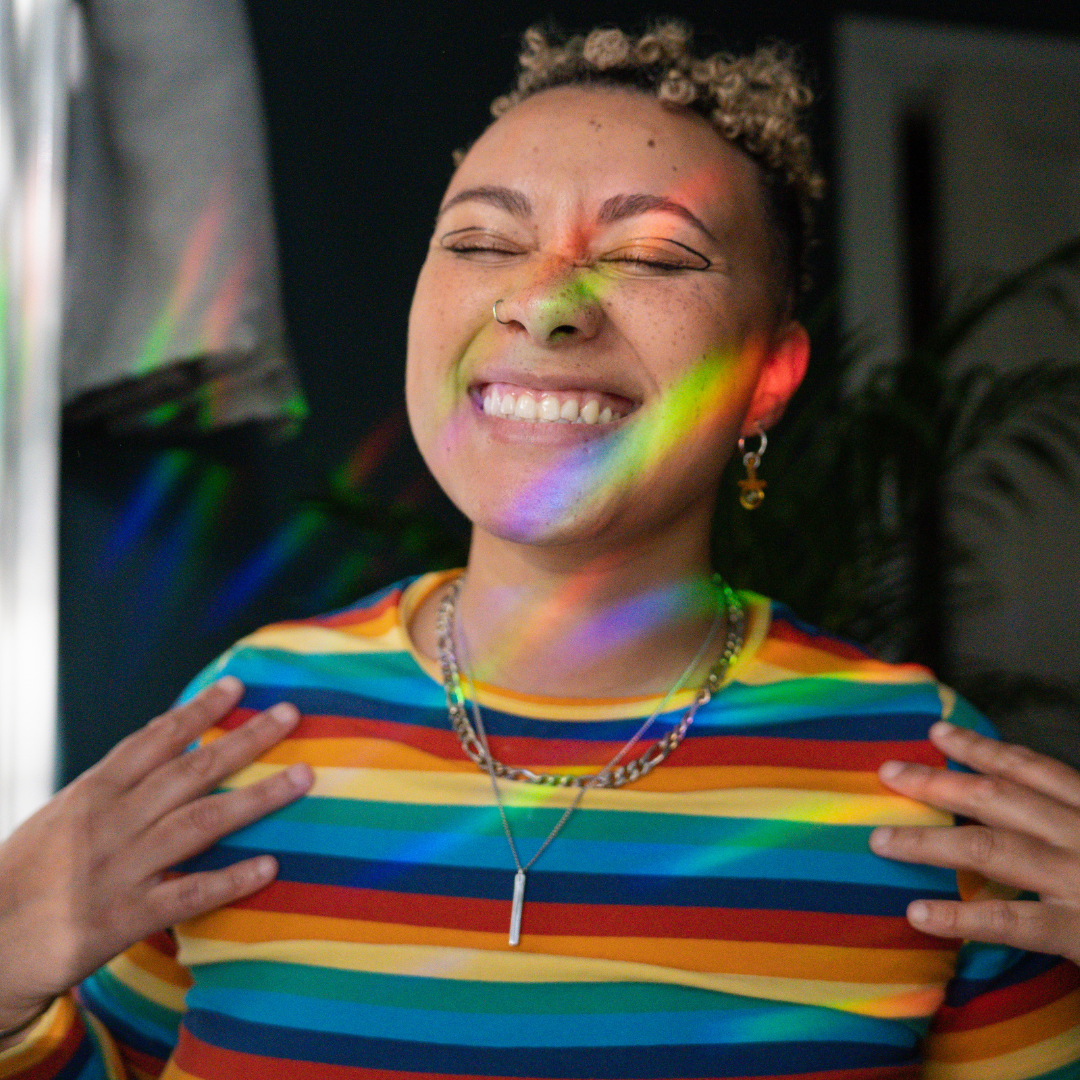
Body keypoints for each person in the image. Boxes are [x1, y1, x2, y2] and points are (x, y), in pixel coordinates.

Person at [2, 20, 1080, 1079]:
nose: (547, 303)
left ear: (769, 379)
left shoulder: (934, 782)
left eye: (653, 255)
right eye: (480, 241)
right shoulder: (244, 723)